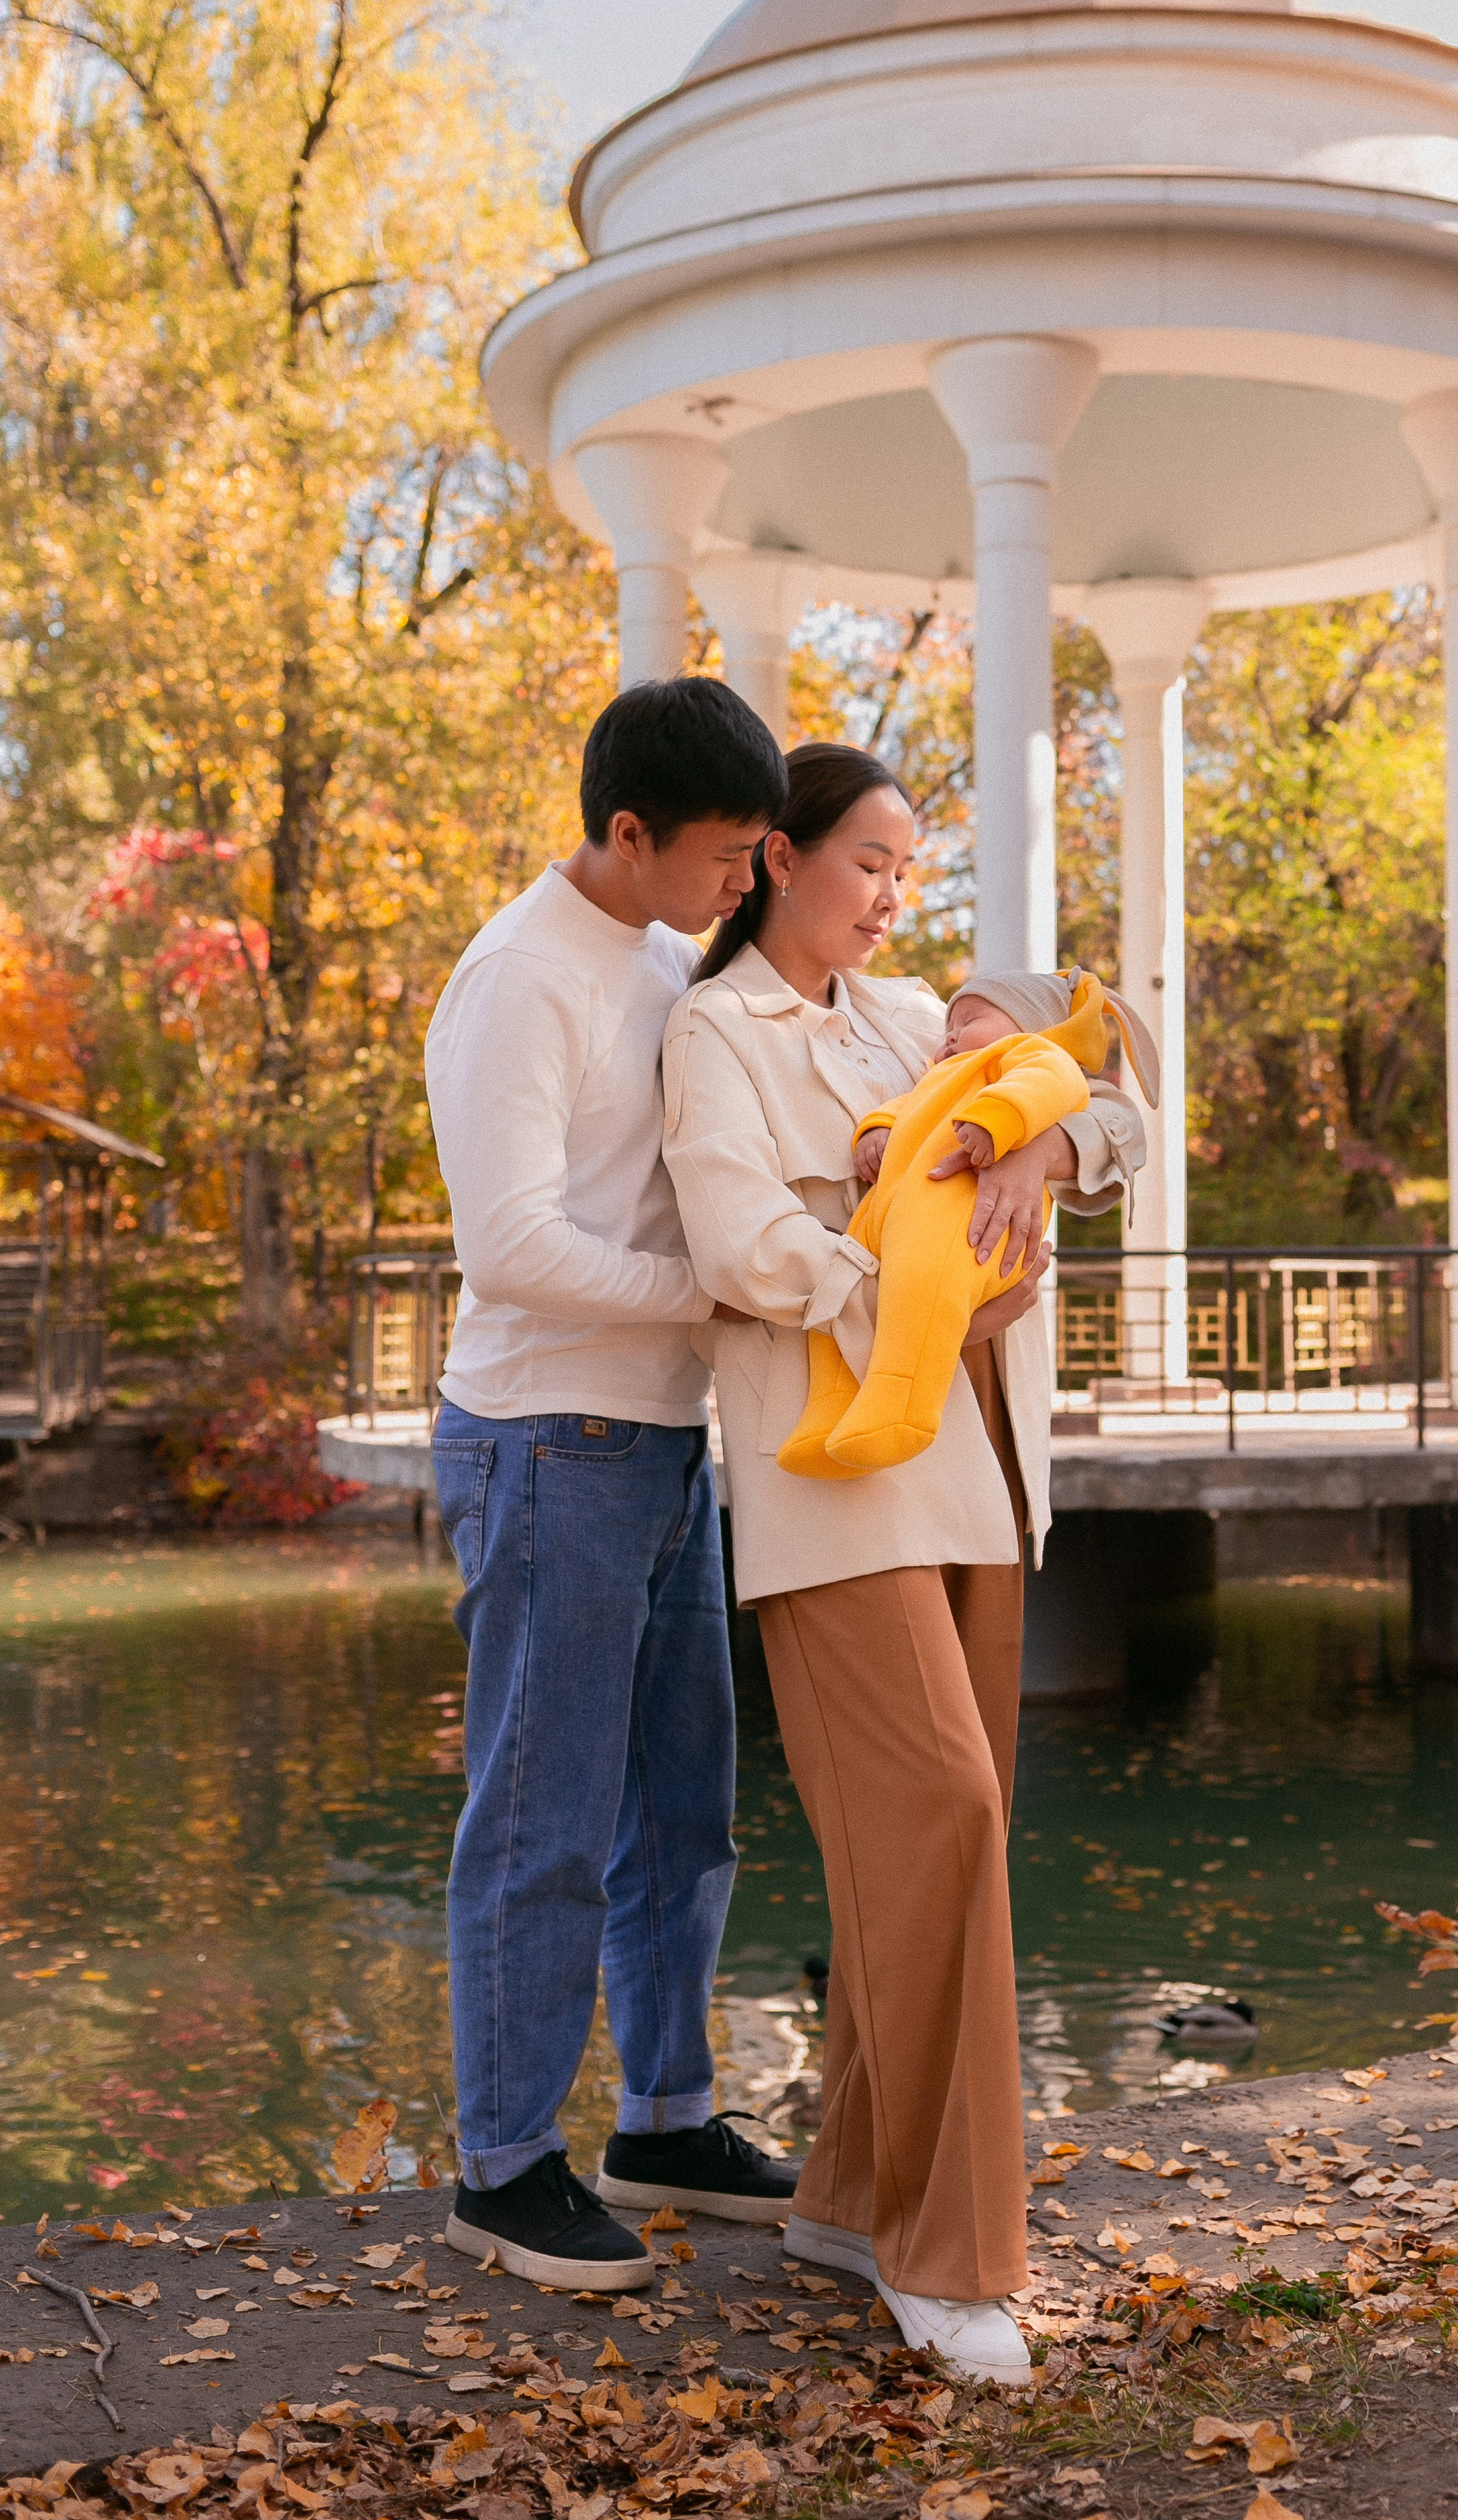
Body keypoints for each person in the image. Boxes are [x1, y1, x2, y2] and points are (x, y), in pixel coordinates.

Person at [661, 743, 1144, 2385]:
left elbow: (1125, 1097)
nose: (890, 894)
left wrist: (1035, 1148)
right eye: (865, 861)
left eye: (903, 867)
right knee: (938, 1815)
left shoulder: (914, 1012)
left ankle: (848, 2191)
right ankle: (947, 2255)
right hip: (833, 1482)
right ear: (777, 858)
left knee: (927, 1849)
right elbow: (743, 1247)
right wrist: (915, 1291)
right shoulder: (714, 1033)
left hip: (986, 1476)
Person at [424, 679, 801, 2291]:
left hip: (659, 1440)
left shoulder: (674, 958)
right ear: (629, 834)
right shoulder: (520, 979)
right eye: (725, 854)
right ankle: (502, 2168)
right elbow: (506, 1244)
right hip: (542, 1437)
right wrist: (708, 1304)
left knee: (682, 1808)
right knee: (542, 1819)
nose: (746, 882)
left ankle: (667, 2115)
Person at [779, 968, 1159, 1476]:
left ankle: (901, 1412)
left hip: (958, 1223)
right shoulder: (948, 1074)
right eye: (949, 1027)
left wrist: (1005, 1126)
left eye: (970, 1020)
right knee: (836, 1292)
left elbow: (1054, 1086)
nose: (950, 1034)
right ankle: (826, 1414)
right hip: (895, 1211)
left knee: (918, 1286)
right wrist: (876, 1133)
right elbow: (907, 1109)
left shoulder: (1030, 1056)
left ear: (1032, 1027)